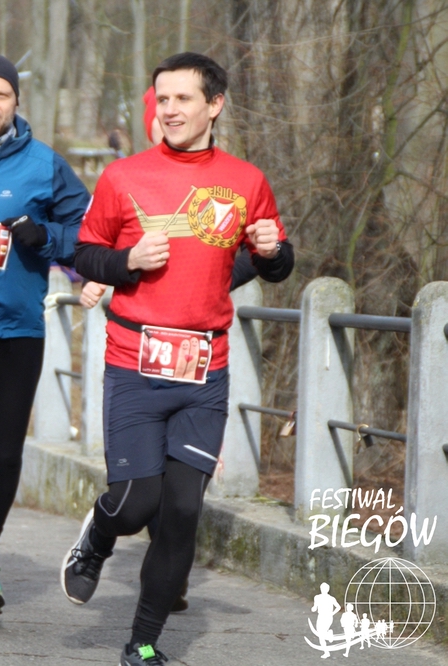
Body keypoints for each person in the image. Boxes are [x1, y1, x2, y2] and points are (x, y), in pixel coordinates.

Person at [60, 52, 294, 666]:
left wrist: (273, 251)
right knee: (136, 503)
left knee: (183, 511)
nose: (169, 110)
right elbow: (85, 255)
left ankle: (143, 642)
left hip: (203, 372)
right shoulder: (123, 177)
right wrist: (127, 262)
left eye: (183, 99)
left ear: (214, 105)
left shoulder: (246, 181)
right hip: (133, 364)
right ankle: (99, 534)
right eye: (162, 99)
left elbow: (272, 262)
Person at [0, 53, 90, 615]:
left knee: (6, 449)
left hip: (19, 325)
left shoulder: (45, 164)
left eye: (0, 94)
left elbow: (86, 233)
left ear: (15, 102)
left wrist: (44, 237)